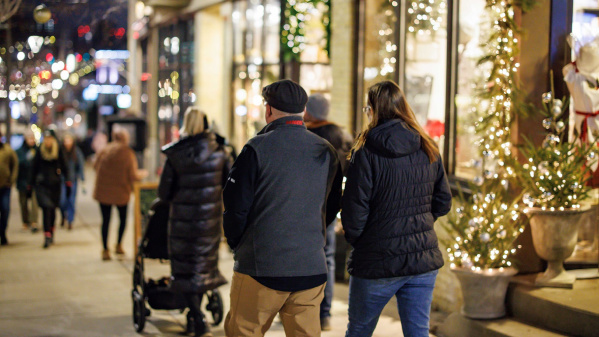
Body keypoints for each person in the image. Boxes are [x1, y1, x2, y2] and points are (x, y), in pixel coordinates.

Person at [223, 79, 343, 337]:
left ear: (268, 110)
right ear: (302, 110)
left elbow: (235, 206)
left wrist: (237, 243)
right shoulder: (326, 150)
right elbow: (333, 205)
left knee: (243, 331)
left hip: (261, 266)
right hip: (310, 267)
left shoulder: (257, 148)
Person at [341, 80, 452, 337]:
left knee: (359, 330)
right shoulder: (428, 146)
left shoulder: (365, 151)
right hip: (422, 260)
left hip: (376, 259)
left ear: (373, 110)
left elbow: (354, 210)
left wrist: (359, 239)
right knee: (417, 332)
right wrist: (419, 223)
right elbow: (443, 202)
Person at [158, 107, 230, 337]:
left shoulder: (176, 154)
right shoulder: (220, 152)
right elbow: (230, 186)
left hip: (182, 222)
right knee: (202, 267)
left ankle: (196, 316)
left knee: (185, 269)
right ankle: (195, 317)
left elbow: (163, 193)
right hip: (208, 223)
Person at [304, 93, 353, 331]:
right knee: (328, 259)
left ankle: (302, 310)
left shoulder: (307, 136)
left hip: (306, 206)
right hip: (331, 208)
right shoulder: (343, 136)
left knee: (303, 258)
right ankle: (325, 314)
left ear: (310, 112)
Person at [93, 127, 147, 260]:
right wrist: (144, 173)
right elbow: (133, 175)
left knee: (105, 221)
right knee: (122, 220)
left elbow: (95, 166)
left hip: (103, 192)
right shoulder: (127, 153)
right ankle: (118, 245)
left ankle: (105, 249)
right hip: (121, 193)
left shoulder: (104, 150)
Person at [30, 130, 70, 249]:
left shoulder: (58, 150)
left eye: (50, 138)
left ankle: (51, 231)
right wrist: (30, 184)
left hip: (55, 185)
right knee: (46, 209)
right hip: (42, 185)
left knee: (52, 210)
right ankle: (47, 235)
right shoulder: (39, 150)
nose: (48, 141)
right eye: (46, 138)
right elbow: (33, 167)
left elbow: (65, 166)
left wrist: (68, 181)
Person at [59, 133, 85, 230]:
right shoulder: (61, 152)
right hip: (62, 180)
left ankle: (70, 220)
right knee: (62, 201)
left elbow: (80, 165)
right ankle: (63, 215)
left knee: (71, 201)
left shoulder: (76, 152)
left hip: (73, 180)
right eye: (66, 140)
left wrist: (81, 178)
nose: (67, 143)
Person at [16, 130, 39, 233]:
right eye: (29, 138)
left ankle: (34, 221)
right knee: (23, 202)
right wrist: (27, 159)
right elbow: (18, 164)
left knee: (35, 202)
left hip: (34, 180)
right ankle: (25, 221)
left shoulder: (37, 150)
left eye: (33, 138)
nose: (31, 140)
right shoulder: (20, 151)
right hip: (22, 180)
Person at [0, 130, 18, 245]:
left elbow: (15, 165)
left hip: (5, 187)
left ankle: (3, 232)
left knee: (5, 209)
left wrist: (11, 180)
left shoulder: (7, 150)